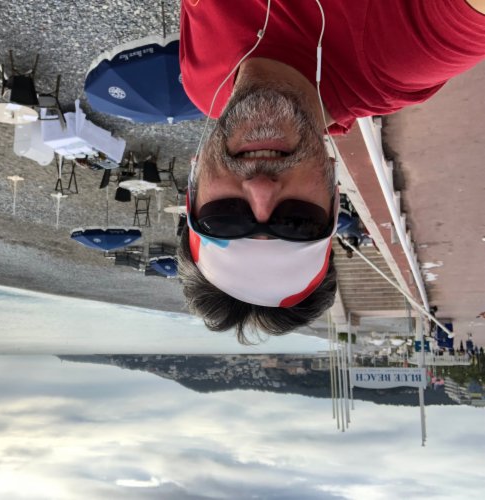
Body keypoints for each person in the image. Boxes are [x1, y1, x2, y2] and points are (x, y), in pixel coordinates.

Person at [177, 0, 485, 343]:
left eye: (224, 217)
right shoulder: (402, 54)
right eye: (297, 220)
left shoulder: (200, 82)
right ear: (333, 196)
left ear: (193, 185)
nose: (261, 188)